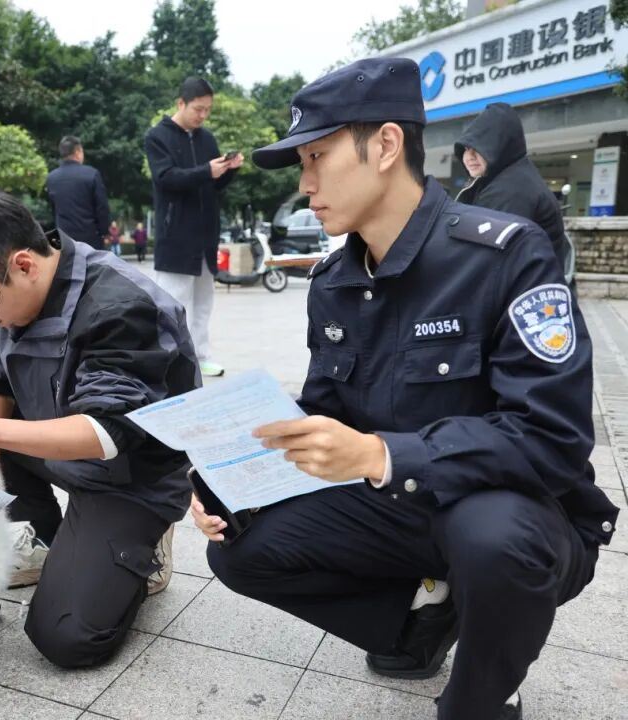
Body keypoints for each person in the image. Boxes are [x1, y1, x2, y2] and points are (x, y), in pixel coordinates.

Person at [194, 58, 618, 720]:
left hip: (515, 512)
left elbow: (552, 440)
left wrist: (380, 454)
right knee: (239, 547)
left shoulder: (505, 256)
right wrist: (229, 477)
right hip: (396, 505)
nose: (306, 185)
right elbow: (323, 410)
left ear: (387, 145)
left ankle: (481, 697)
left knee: (490, 542)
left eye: (317, 157)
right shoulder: (334, 282)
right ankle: (418, 623)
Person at [0, 189, 198, 668]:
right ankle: (44, 536)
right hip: (57, 444)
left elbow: (107, 433)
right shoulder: (14, 299)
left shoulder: (120, 306)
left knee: (67, 635)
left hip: (131, 477)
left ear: (24, 264)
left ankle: (143, 547)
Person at [145, 76, 242, 378]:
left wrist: (229, 170)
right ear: (181, 103)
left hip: (205, 235)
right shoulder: (157, 137)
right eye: (198, 109)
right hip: (176, 236)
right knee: (173, 302)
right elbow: (166, 178)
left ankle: (201, 355)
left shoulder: (206, 138)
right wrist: (206, 171)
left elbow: (212, 184)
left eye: (207, 110)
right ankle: (172, 360)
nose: (203, 115)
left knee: (203, 302)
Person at [455, 102, 570, 270]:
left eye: (478, 148)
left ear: (500, 145)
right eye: (466, 148)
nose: (469, 156)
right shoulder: (510, 177)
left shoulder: (509, 190)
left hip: (524, 283)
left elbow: (485, 259)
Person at [45, 135, 110, 250]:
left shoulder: (52, 178)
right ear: (78, 152)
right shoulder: (92, 174)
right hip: (90, 238)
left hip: (64, 239)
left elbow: (53, 209)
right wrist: (104, 232)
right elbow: (102, 207)